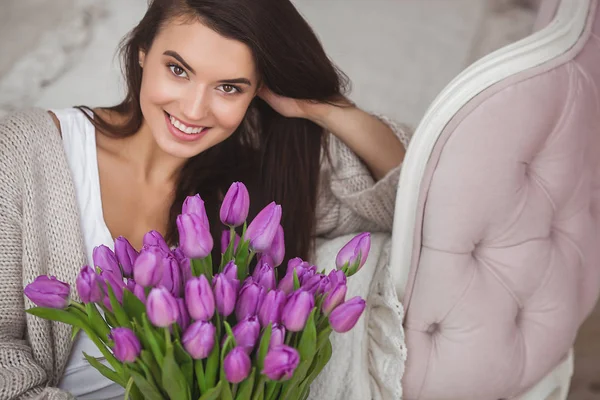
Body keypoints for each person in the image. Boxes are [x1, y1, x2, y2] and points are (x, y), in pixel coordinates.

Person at [0, 0, 411, 398]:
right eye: (178, 69)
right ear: (143, 52)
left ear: (259, 93)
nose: (194, 109)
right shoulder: (24, 152)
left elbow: (405, 200)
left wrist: (323, 107)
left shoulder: (250, 196)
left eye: (229, 87)